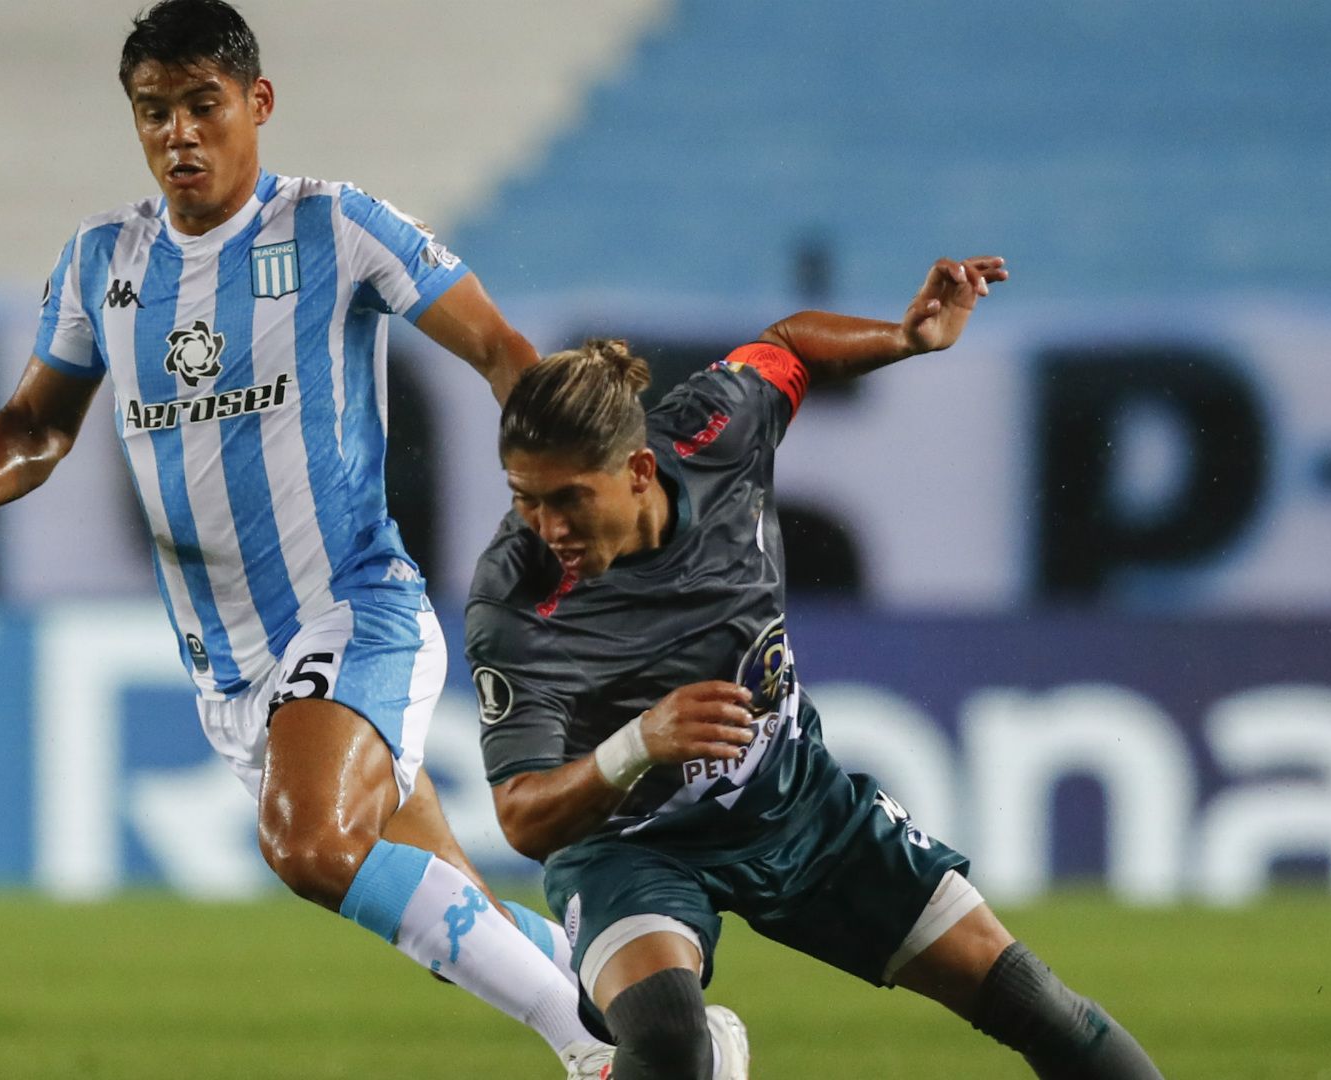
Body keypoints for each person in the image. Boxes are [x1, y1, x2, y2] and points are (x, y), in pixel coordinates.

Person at [0, 0, 611, 1073]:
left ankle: (601, 1056)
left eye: (204, 105)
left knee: (308, 843)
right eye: (154, 112)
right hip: (231, 669)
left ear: (259, 102)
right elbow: (39, 421)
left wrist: (564, 484)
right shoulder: (103, 261)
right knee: (450, 915)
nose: (179, 135)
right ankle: (660, 1020)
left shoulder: (335, 226)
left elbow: (498, 347)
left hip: (352, 610)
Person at [466, 255, 1167, 1079]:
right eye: (524, 498)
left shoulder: (717, 429)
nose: (546, 526)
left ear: (641, 471)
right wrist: (638, 744)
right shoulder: (516, 594)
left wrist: (903, 338)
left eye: (568, 499)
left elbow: (789, 345)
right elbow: (523, 816)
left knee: (1034, 1002)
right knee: (667, 1043)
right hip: (630, 843)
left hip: (798, 804)